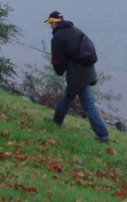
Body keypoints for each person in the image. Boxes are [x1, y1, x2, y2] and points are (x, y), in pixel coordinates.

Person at [43, 11, 110, 143]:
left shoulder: (57, 38)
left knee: (88, 103)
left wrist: (59, 71)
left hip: (78, 73)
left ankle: (103, 135)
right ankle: (57, 121)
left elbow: (57, 61)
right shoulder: (75, 30)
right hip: (87, 69)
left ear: (55, 23)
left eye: (51, 23)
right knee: (68, 95)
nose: (50, 26)